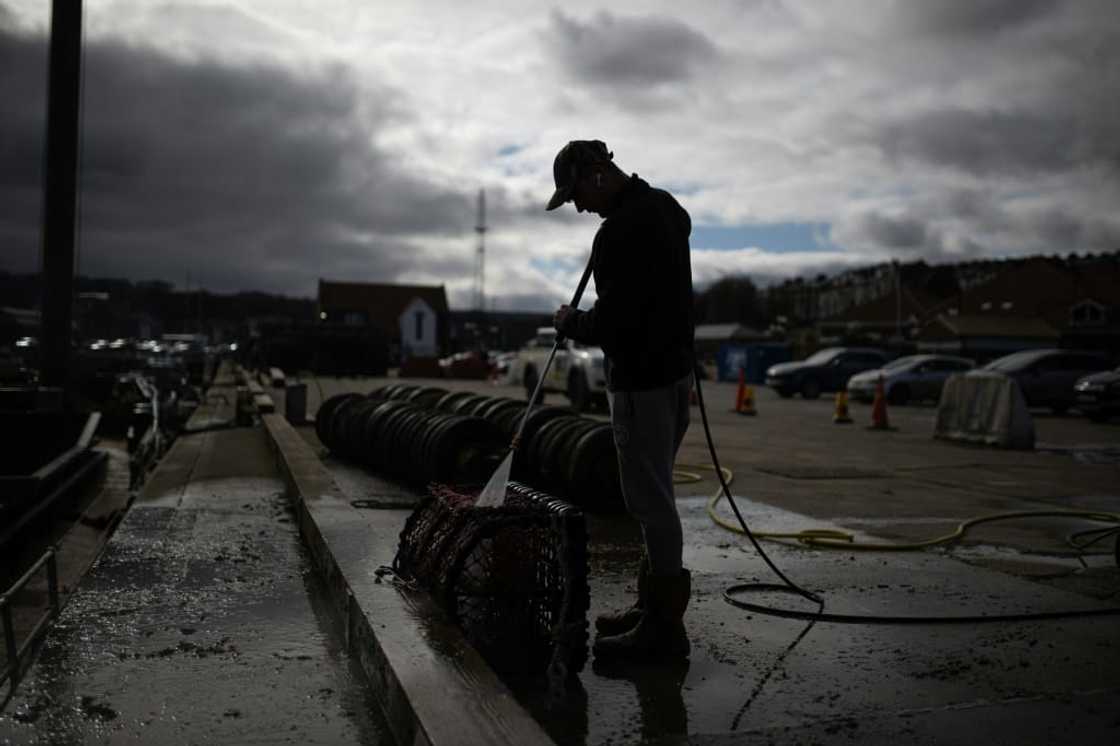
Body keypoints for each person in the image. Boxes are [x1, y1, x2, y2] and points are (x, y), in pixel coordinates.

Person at [548, 140, 695, 661]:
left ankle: (663, 632)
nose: (580, 207)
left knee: (649, 502)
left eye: (576, 195)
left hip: (642, 383)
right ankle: (651, 605)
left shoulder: (620, 231)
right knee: (658, 496)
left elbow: (614, 322)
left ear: (596, 174)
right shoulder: (665, 208)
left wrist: (571, 322)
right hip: (676, 379)